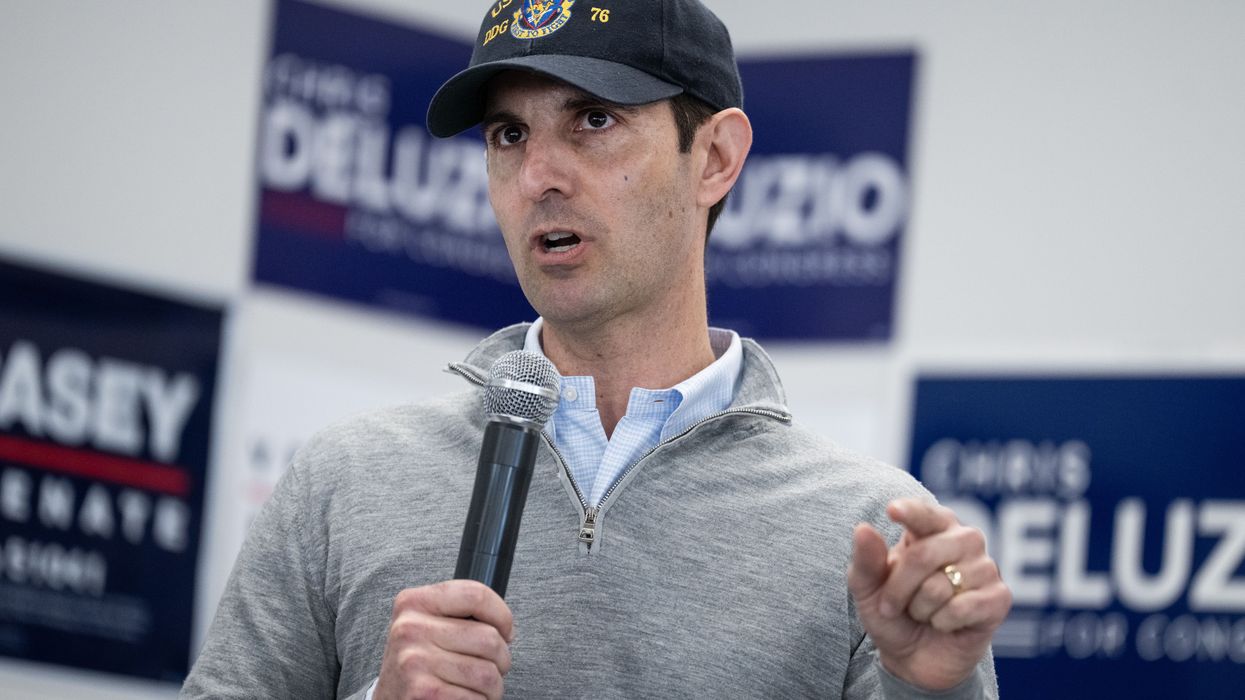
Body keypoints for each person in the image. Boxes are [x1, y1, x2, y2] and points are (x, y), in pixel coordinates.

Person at [182, 1, 1011, 698]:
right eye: (508, 134)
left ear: (715, 158)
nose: (539, 172)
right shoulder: (345, 478)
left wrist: (931, 689)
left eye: (594, 119)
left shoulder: (862, 527)